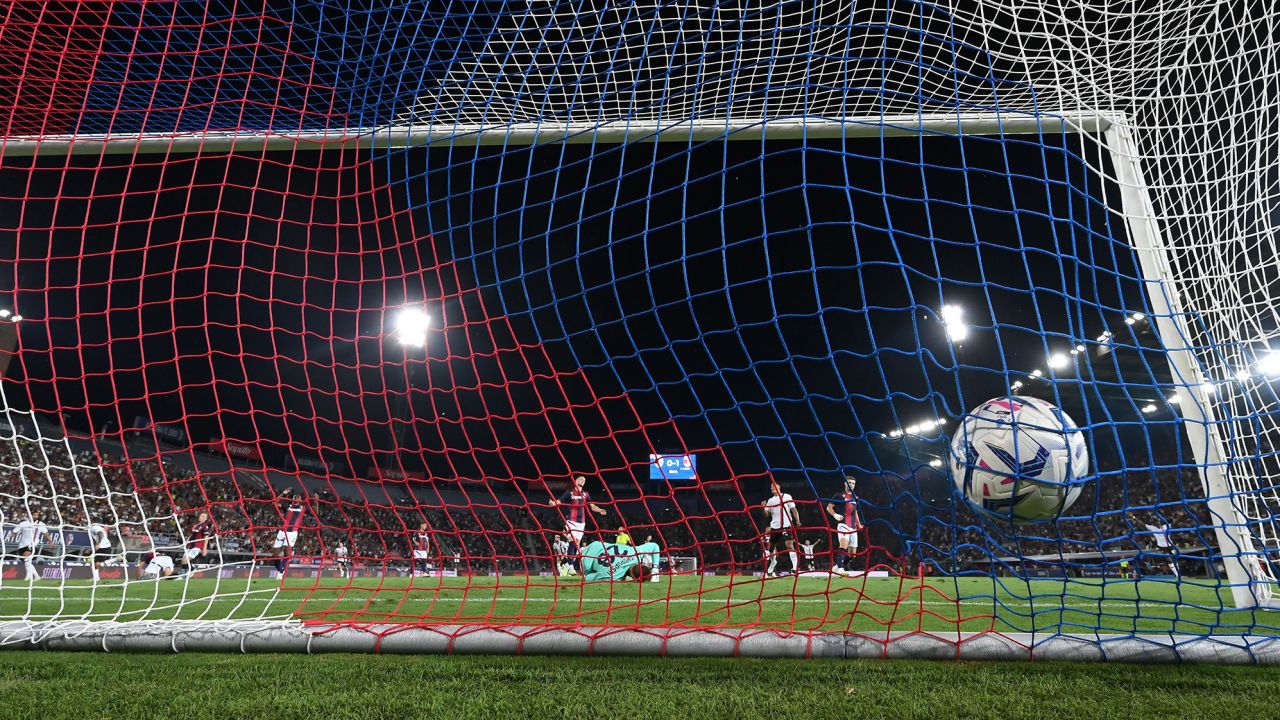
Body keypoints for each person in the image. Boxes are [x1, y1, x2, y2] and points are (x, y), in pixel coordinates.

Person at [549, 475, 607, 572]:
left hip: (581, 523)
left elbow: (592, 506)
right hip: (571, 521)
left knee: (576, 545)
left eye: (584, 480)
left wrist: (600, 510)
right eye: (581, 479)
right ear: (575, 481)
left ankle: (567, 564)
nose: (583, 480)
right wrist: (554, 503)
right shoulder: (569, 493)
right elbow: (559, 501)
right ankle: (571, 567)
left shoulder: (586, 494)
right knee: (572, 541)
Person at [761, 477, 800, 576]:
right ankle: (773, 562)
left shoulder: (786, 496)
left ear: (779, 487)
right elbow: (766, 514)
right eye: (771, 487)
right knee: (771, 549)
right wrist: (763, 507)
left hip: (786, 525)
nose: (772, 488)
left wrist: (797, 520)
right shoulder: (770, 500)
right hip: (775, 527)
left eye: (774, 486)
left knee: (789, 545)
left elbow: (793, 509)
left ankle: (795, 568)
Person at [825, 475, 862, 576]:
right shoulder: (839, 495)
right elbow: (829, 507)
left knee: (852, 554)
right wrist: (835, 515)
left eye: (853, 483)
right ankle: (841, 569)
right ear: (845, 483)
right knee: (843, 547)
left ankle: (837, 566)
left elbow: (855, 512)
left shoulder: (856, 497)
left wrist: (859, 523)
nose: (851, 485)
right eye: (849, 482)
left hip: (853, 527)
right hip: (843, 525)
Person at [269, 488, 308, 574]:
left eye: (299, 498)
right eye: (296, 497)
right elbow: (274, 502)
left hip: (292, 533)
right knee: (275, 554)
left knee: (287, 553)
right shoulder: (287, 506)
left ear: (300, 500)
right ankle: (280, 569)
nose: (297, 499)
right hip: (282, 532)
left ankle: (281, 572)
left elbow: (315, 512)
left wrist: (316, 502)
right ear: (293, 499)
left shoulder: (303, 508)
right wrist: (283, 493)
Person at [578, 540, 651, 582]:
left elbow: (654, 546)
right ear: (634, 578)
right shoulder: (613, 576)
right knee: (586, 570)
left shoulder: (636, 553)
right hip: (585, 558)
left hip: (597, 544)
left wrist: (655, 567)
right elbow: (588, 577)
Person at [12, 512, 51, 581]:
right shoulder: (23, 524)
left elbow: (46, 534)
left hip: (32, 544)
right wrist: (13, 535)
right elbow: (15, 531)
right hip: (22, 545)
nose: (35, 516)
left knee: (27, 559)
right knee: (27, 562)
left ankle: (28, 577)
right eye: (34, 515)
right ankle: (37, 576)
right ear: (30, 516)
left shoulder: (41, 524)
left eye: (37, 515)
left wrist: (50, 541)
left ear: (39, 516)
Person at [182, 511, 213, 575]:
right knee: (183, 561)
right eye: (201, 515)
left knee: (185, 560)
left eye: (203, 516)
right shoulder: (196, 525)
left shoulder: (205, 526)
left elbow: (206, 537)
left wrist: (204, 548)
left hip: (197, 546)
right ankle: (187, 572)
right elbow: (192, 534)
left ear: (206, 519)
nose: (201, 517)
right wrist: (186, 541)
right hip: (190, 546)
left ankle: (187, 572)